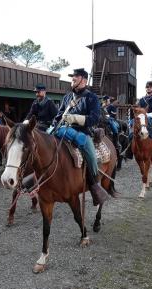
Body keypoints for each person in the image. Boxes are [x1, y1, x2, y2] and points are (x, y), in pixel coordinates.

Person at [53, 68, 108, 206]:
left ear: (83, 80)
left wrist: (76, 118)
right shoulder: (67, 97)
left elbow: (95, 119)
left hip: (83, 132)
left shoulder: (92, 97)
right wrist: (55, 122)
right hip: (63, 129)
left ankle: (95, 185)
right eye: (72, 77)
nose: (73, 79)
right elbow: (59, 114)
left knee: (90, 153)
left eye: (75, 77)